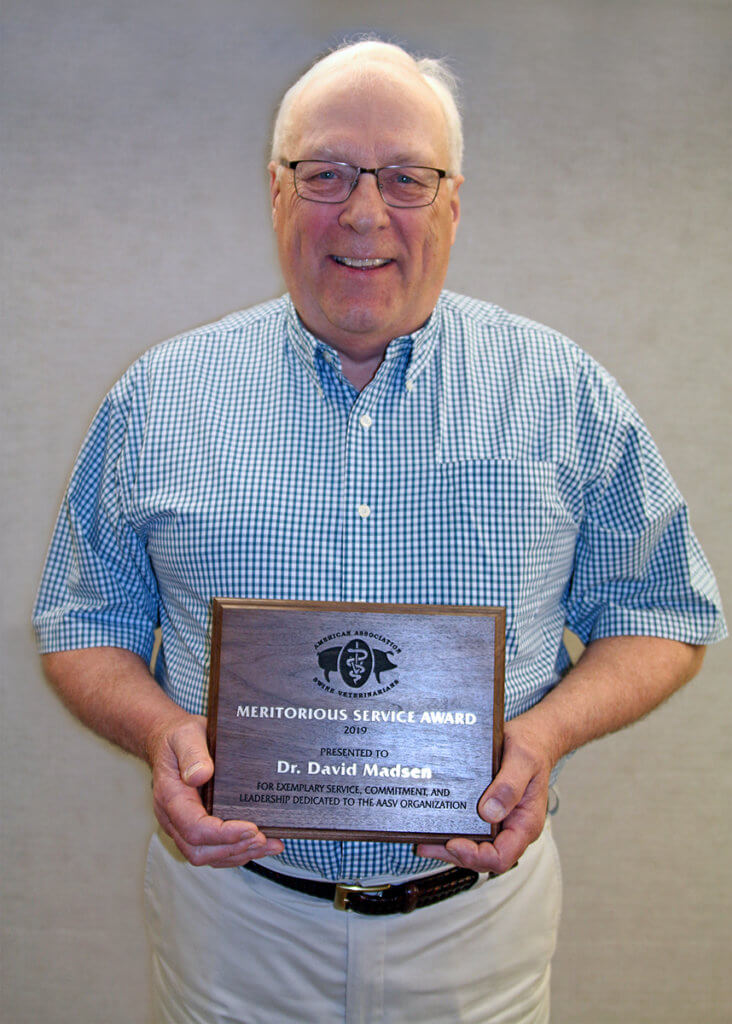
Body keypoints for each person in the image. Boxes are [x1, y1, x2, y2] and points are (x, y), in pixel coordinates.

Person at [33, 39, 725, 1024]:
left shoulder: (562, 391)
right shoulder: (162, 397)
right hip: (236, 916)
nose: (363, 214)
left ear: (454, 202)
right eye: (325, 174)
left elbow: (665, 612)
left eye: (406, 177)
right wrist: (162, 732)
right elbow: (82, 625)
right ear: (275, 191)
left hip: (473, 922)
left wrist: (547, 732)